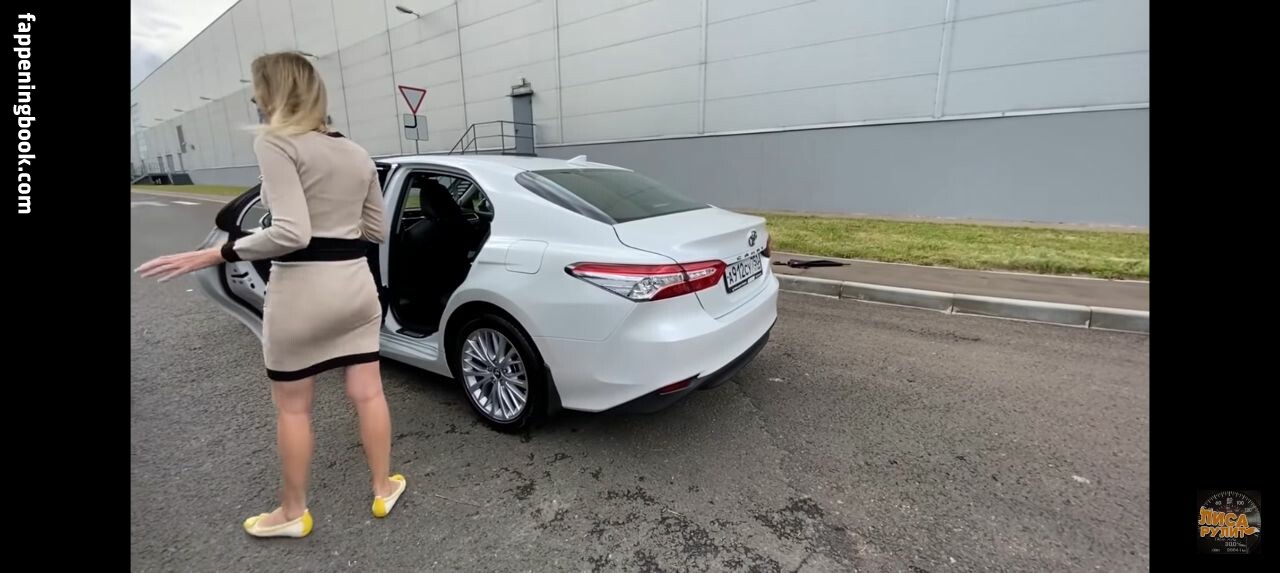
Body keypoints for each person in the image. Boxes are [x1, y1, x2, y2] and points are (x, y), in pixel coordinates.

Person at [135, 52, 404, 539]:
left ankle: (293, 512)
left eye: (258, 92)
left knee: (294, 408)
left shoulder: (277, 143)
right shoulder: (357, 152)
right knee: (369, 392)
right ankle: (383, 488)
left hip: (302, 292)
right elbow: (376, 231)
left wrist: (215, 254)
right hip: (356, 288)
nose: (256, 101)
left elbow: (291, 233)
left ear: (273, 94)